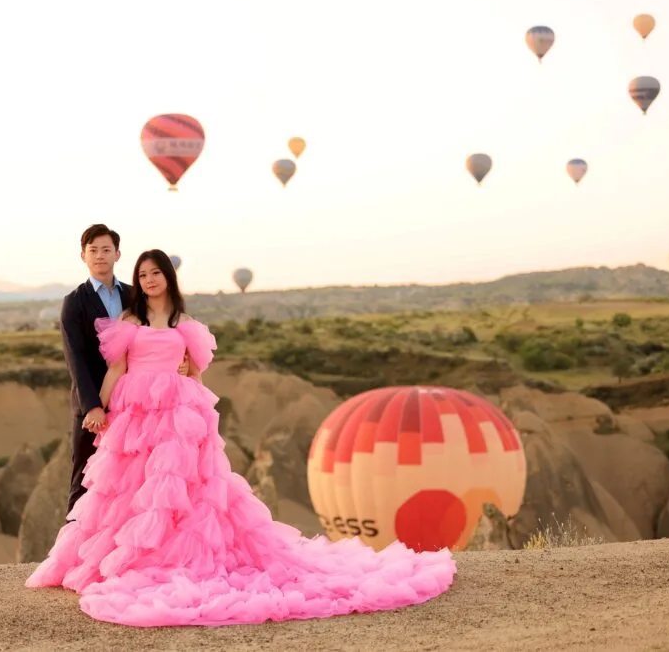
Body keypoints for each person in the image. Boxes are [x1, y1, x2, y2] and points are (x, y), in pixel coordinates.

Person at [27, 248, 458, 627]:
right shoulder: (127, 320)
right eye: (142, 275)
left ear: (168, 278)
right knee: (131, 491)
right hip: (137, 414)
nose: (149, 280)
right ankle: (128, 557)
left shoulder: (185, 323)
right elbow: (117, 372)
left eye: (155, 273)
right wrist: (97, 412)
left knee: (178, 492)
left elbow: (196, 374)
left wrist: (184, 389)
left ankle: (176, 558)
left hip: (178, 416)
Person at [58, 225, 187, 516]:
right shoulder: (75, 302)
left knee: (134, 480)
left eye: (106, 250)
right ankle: (72, 551)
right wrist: (92, 406)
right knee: (87, 479)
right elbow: (75, 360)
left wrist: (178, 363)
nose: (100, 256)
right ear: (83, 256)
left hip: (138, 405)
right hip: (96, 405)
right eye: (93, 251)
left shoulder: (136, 295)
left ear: (118, 254)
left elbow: (166, 329)